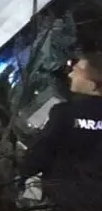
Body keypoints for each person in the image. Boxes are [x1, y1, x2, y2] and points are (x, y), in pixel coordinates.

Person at [21, 53, 102, 211]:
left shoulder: (65, 113)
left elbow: (40, 154)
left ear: (92, 85)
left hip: (70, 198)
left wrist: (22, 172)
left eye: (77, 71)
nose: (70, 73)